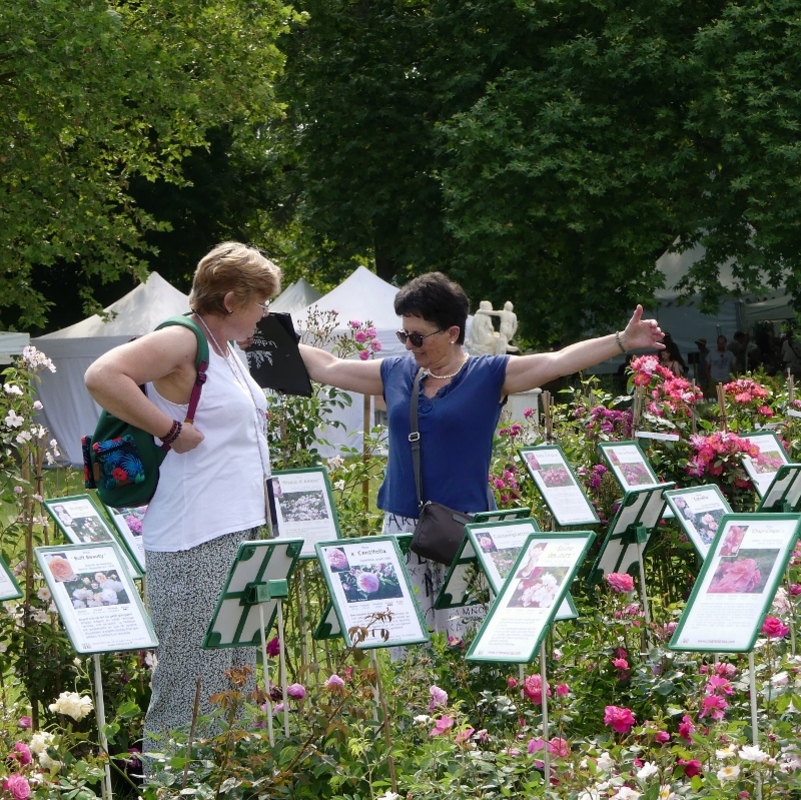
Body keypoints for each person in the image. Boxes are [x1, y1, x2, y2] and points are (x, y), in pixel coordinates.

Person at [298, 272, 664, 636]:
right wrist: (260, 324)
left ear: (452, 333)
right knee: (401, 644)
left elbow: (557, 361)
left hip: (463, 528)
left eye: (417, 336)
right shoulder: (395, 372)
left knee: (464, 641)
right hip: (400, 527)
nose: (409, 344)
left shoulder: (488, 375)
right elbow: (326, 367)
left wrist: (621, 340)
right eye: (403, 334)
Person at [84, 243, 280, 769]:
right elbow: (102, 375)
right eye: (261, 300)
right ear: (233, 297)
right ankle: (172, 783)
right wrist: (168, 427)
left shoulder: (226, 346)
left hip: (236, 531)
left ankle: (224, 779)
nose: (265, 311)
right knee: (191, 682)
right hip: (196, 538)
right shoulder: (182, 337)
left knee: (232, 677)